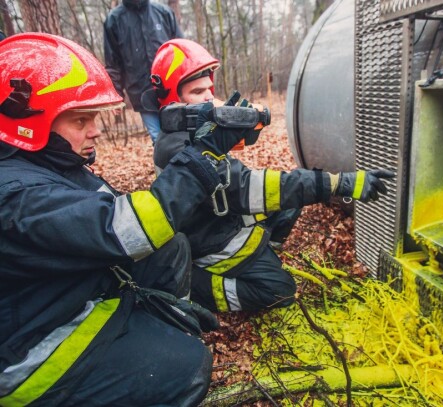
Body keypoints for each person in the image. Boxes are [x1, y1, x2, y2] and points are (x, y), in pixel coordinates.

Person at [0, 33, 256, 406]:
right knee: (188, 368)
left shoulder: (48, 163)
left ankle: (154, 333)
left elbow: (124, 215)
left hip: (71, 295)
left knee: (171, 246)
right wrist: (201, 157)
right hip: (35, 352)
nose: (96, 131)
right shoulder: (17, 195)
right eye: (81, 120)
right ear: (29, 125)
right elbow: (121, 230)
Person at [147, 39, 395, 313]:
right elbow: (245, 189)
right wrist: (338, 183)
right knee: (279, 292)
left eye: (209, 89)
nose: (209, 98)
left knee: (289, 199)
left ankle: (262, 256)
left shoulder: (192, 135)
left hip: (220, 218)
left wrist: (234, 125)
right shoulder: (176, 148)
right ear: (173, 101)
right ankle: (199, 286)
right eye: (197, 92)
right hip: (210, 239)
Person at [103, 0, 183, 143]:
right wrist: (115, 96)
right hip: (141, 92)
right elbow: (113, 63)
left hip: (172, 90)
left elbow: (182, 49)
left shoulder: (163, 13)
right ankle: (164, 165)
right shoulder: (114, 19)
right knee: (158, 140)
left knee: (180, 136)